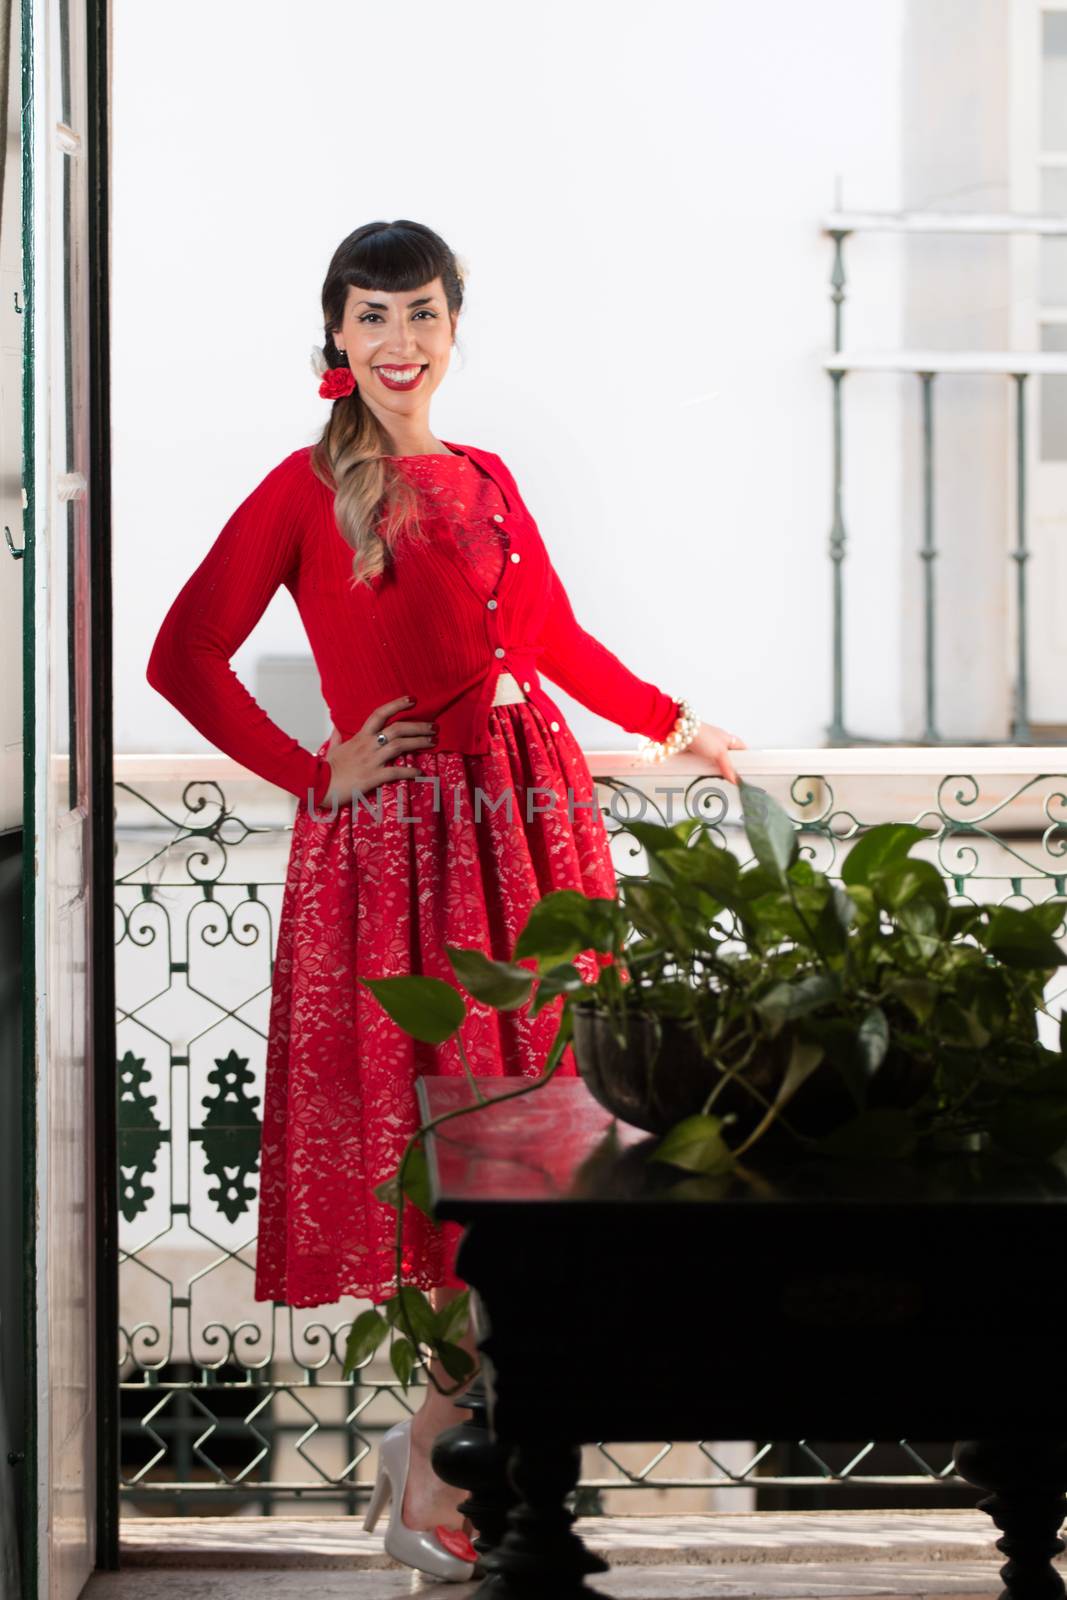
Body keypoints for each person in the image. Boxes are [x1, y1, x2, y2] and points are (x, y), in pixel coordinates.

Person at [145, 218, 746, 1581]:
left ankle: (454, 1466)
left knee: (546, 1147)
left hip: (527, 836)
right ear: (336, 335)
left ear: (453, 327)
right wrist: (316, 768)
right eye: (371, 317)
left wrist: (677, 723)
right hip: (399, 855)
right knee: (450, 1162)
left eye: (420, 314)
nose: (398, 343)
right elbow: (182, 657)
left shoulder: (487, 476)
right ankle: (438, 1468)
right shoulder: (306, 490)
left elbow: (551, 641)